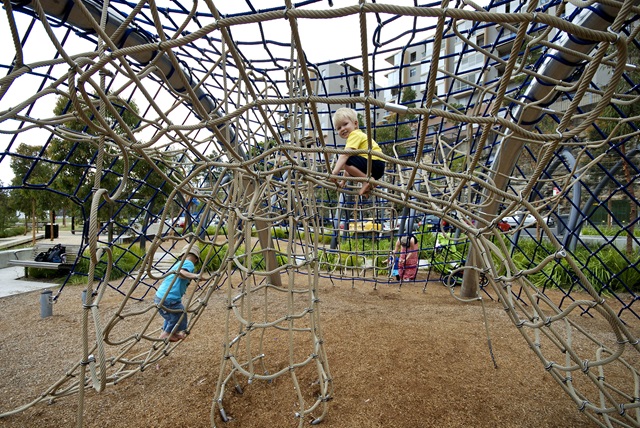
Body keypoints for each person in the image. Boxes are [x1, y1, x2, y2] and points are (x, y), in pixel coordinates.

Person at [329, 107, 385, 197]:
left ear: (355, 124)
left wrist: (334, 173)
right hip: (377, 167)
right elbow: (348, 168)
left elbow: (344, 156)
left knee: (345, 161)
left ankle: (366, 181)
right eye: (338, 128)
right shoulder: (355, 137)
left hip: (374, 163)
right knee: (348, 166)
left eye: (345, 124)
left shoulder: (354, 134)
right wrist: (343, 181)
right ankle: (370, 185)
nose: (342, 129)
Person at [154, 243, 202, 342]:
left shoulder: (178, 263)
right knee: (180, 313)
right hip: (169, 297)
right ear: (196, 259)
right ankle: (167, 333)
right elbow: (181, 273)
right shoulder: (189, 263)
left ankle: (169, 332)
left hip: (160, 296)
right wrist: (196, 276)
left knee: (171, 316)